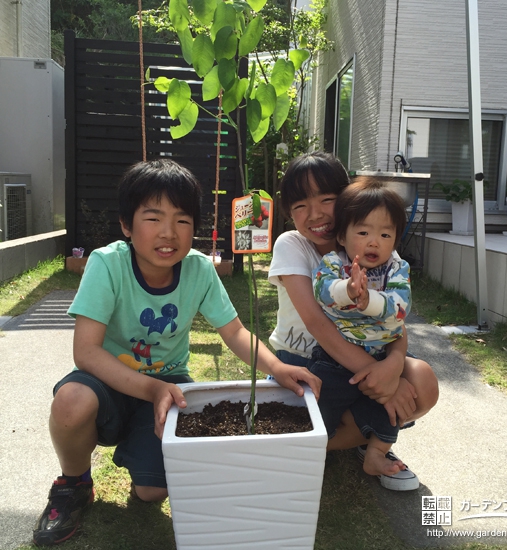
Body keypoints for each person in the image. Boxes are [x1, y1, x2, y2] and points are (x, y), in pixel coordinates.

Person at [33, 159, 321, 546]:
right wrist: (150, 390)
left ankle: (141, 460)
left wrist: (277, 367)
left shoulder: (199, 270)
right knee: (70, 401)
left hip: (169, 385)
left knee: (153, 493)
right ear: (126, 224)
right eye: (153, 218)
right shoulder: (107, 264)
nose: (169, 233)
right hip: (108, 380)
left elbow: (235, 332)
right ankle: (74, 483)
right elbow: (86, 352)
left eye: (182, 220)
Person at [268, 151, 438, 491]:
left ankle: (366, 441)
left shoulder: (377, 246)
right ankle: (306, 443)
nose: (315, 214)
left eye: (327, 199)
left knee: (422, 380)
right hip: (304, 362)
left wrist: (391, 366)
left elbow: (397, 320)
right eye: (300, 205)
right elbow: (319, 324)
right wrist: (382, 383)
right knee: (332, 400)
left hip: (365, 359)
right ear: (289, 212)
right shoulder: (293, 245)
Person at [311, 177, 420, 480]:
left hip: (382, 358)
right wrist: (348, 289)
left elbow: (400, 306)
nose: (374, 241)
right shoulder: (334, 263)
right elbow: (322, 290)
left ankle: (375, 454)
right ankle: (310, 450)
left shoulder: (397, 269)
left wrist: (368, 299)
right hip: (334, 362)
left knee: (391, 411)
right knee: (321, 410)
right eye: (363, 232)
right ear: (343, 237)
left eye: (385, 234)